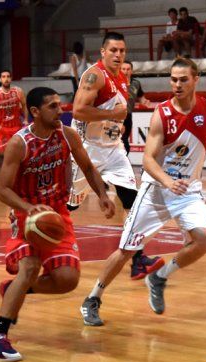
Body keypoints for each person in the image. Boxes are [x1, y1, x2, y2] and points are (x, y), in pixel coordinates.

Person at [81, 57, 206, 326]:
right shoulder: (162, 114)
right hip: (155, 191)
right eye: (173, 79)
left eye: (183, 79)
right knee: (126, 249)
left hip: (188, 191)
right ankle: (93, 298)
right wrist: (167, 181)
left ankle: (159, 277)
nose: (177, 84)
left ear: (195, 79)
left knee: (204, 239)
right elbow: (148, 160)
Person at [0, 87, 116, 361]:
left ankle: (15, 290)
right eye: (53, 106)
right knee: (29, 267)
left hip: (57, 213)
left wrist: (103, 195)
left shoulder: (67, 135)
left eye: (59, 104)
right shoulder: (19, 143)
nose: (61, 110)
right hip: (26, 216)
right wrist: (29, 208)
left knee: (67, 280)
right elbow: (3, 191)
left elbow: (89, 167)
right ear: (35, 112)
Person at [71, 31, 164, 299]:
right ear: (102, 52)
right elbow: (78, 110)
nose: (118, 54)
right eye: (113, 50)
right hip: (88, 149)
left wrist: (116, 124)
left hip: (113, 150)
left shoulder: (122, 78)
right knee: (70, 204)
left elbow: (115, 113)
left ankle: (138, 261)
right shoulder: (94, 75)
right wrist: (112, 114)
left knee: (133, 203)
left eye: (122, 51)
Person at [0, 70, 27, 154]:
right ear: (0, 79)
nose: (6, 79)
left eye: (8, 76)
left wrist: (25, 119)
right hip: (2, 129)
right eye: (3, 77)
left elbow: (24, 106)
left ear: (11, 79)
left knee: (19, 152)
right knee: (6, 154)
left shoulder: (18, 91)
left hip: (17, 127)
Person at [120, 60, 153, 155]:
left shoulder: (136, 83)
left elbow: (141, 97)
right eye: (123, 69)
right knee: (123, 141)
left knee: (125, 139)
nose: (125, 71)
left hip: (128, 116)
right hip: (117, 116)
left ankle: (123, 160)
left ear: (131, 71)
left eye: (128, 69)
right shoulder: (115, 82)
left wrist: (145, 102)